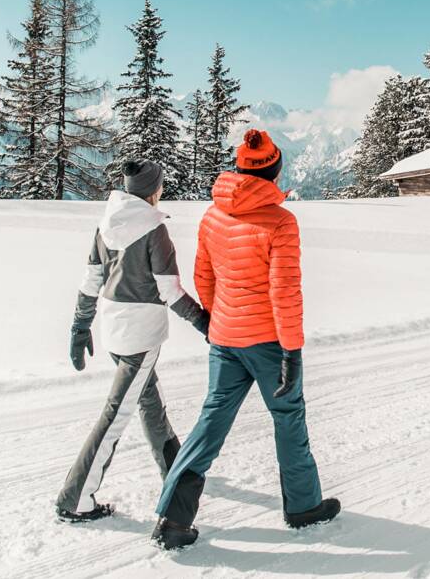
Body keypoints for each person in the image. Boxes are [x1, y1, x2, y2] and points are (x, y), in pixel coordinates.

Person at [151, 129, 340, 550]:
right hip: (270, 342)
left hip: (226, 336)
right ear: (273, 170)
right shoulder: (280, 221)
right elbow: (284, 290)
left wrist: (219, 320)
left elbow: (204, 275)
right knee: (288, 416)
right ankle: (303, 506)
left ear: (239, 168)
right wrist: (291, 350)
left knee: (211, 420)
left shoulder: (213, 215)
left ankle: (174, 519)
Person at [55, 160, 210, 522]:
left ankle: (175, 468)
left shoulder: (107, 222)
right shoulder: (154, 228)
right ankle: (75, 498)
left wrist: (80, 327)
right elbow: (169, 290)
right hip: (141, 333)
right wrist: (205, 322)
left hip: (113, 328)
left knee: (148, 400)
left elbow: (91, 281)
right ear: (154, 190)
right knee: (117, 412)